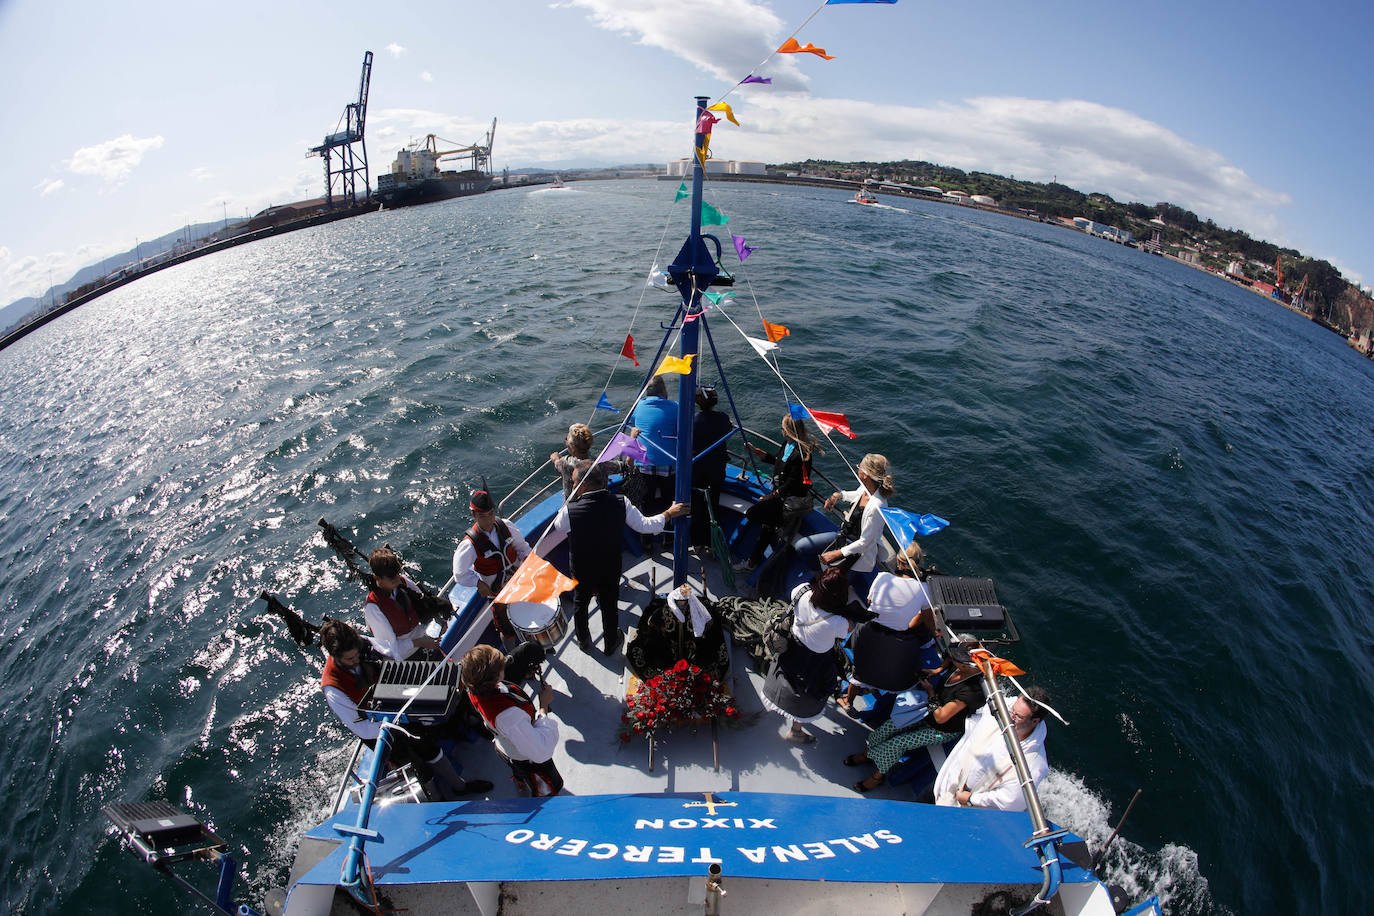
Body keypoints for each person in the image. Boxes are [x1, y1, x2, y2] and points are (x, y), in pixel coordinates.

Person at [319, 620, 492, 800]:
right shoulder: (333, 688)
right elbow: (360, 728)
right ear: (335, 656)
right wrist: (398, 722)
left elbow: (392, 657)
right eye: (350, 659)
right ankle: (437, 801)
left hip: (400, 709)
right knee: (417, 770)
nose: (356, 661)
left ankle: (459, 786)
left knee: (430, 749)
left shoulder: (363, 644)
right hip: (382, 733)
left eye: (356, 656)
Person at [550, 461, 689, 654]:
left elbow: (559, 526)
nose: (572, 486)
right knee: (609, 602)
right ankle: (611, 642)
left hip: (582, 567)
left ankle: (583, 641)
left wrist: (570, 501)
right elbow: (645, 526)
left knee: (580, 603)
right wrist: (668, 513)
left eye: (574, 483)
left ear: (584, 485)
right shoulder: (620, 503)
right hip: (610, 565)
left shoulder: (570, 510)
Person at [844, 642, 986, 793]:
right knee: (888, 727)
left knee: (898, 743)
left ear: (968, 666)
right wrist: (938, 670)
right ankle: (867, 754)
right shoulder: (957, 666)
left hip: (942, 729)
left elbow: (941, 718)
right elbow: (949, 656)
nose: (952, 658)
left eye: (956, 658)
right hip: (927, 711)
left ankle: (878, 776)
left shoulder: (971, 691)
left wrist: (931, 692)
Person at [760, 567, 869, 743]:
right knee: (806, 694)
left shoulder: (801, 590)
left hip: (792, 649)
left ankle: (777, 699)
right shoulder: (837, 622)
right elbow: (849, 627)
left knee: (784, 675)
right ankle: (796, 731)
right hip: (815, 662)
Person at [461, 643, 564, 797]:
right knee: (546, 788)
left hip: (506, 747)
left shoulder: (474, 688)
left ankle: (520, 780)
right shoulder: (508, 716)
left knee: (518, 769)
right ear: (495, 677)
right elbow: (541, 751)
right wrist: (544, 705)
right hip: (526, 758)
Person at [934, 687, 1051, 810]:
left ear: (1035, 721)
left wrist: (971, 799)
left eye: (1018, 717)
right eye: (1012, 711)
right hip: (948, 780)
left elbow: (1013, 801)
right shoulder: (1003, 707)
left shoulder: (1033, 765)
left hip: (966, 806)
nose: (1010, 718)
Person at [797, 453, 895, 600]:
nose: (858, 469)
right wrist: (839, 495)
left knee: (832, 592)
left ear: (865, 475)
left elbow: (865, 542)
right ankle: (820, 576)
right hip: (843, 537)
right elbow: (856, 495)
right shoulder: (866, 489)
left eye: (859, 467)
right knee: (802, 547)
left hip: (857, 553)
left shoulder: (877, 506)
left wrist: (837, 554)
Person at [737, 415, 818, 586]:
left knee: (753, 513)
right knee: (766, 529)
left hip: (787, 500)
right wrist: (757, 451)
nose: (781, 431)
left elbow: (793, 483)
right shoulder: (788, 445)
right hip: (779, 495)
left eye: (783, 428)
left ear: (788, 431)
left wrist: (770, 497)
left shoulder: (801, 454)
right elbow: (778, 461)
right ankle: (753, 561)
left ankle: (776, 525)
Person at [452, 487, 532, 648]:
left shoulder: (506, 526)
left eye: (491, 514)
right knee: (506, 627)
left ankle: (534, 644)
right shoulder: (469, 545)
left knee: (528, 615)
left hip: (519, 583)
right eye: (482, 516)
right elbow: (459, 574)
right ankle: (513, 655)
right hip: (498, 593)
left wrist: (529, 565)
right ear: (474, 515)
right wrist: (478, 583)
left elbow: (523, 548)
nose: (488, 520)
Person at [364, 547, 442, 661]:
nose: (397, 579)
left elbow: (425, 602)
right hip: (405, 658)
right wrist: (421, 642)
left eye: (397, 573)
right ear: (377, 578)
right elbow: (391, 648)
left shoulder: (403, 582)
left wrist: (438, 617)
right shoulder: (373, 608)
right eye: (391, 577)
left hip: (423, 642)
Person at [628, 375, 678, 517]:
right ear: (663, 390)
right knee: (668, 502)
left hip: (644, 465)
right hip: (668, 465)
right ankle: (668, 534)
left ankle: (646, 536)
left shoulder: (638, 406)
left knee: (646, 504)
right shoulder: (675, 407)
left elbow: (633, 421)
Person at [691, 385, 733, 549]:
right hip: (716, 468)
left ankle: (697, 541)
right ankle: (712, 542)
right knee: (713, 506)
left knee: (697, 506)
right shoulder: (722, 418)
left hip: (697, 468)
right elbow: (728, 428)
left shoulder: (693, 420)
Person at [550, 423, 594, 498]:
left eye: (566, 439)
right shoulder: (598, 461)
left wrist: (555, 457)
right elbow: (619, 466)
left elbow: (557, 462)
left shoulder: (565, 463)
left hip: (573, 505)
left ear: (573, 448)